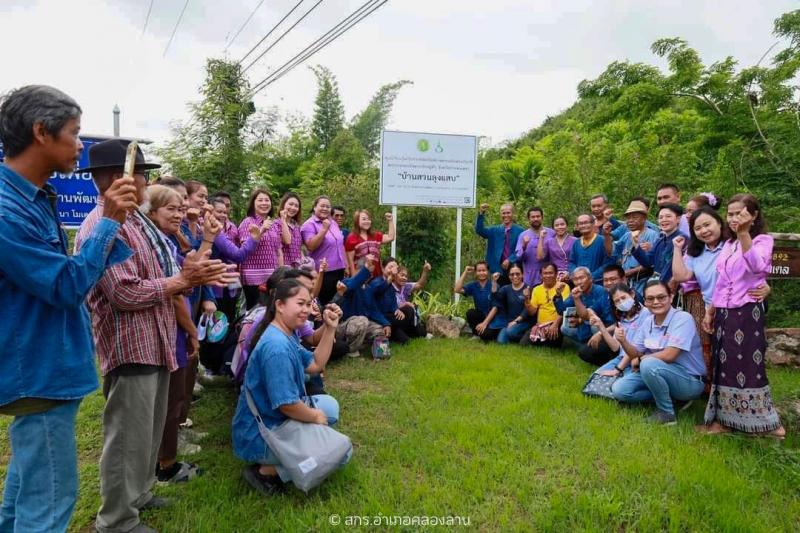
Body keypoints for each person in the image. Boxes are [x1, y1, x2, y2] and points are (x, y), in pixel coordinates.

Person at [75, 139, 234, 533]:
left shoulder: (136, 220)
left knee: (146, 429)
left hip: (158, 340)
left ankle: (141, 493)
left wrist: (196, 269)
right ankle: (116, 520)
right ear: (118, 178)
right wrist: (182, 280)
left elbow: (169, 266)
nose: (147, 183)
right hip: (131, 345)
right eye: (143, 175)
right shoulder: (102, 226)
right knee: (127, 437)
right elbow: (124, 292)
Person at [0, 85, 138, 533]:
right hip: (38, 368)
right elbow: (65, 285)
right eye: (75, 134)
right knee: (51, 500)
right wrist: (111, 222)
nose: (82, 145)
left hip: (49, 363)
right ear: (41, 132)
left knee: (27, 485)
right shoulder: (5, 211)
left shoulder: (34, 196)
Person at [232, 278, 351, 495]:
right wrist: (315, 417)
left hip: (276, 419)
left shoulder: (286, 334)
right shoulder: (276, 347)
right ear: (279, 305)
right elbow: (286, 405)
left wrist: (330, 328)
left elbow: (315, 364)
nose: (306, 310)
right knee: (342, 453)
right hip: (261, 433)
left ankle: (290, 457)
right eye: (300, 303)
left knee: (330, 409)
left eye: (308, 304)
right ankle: (267, 470)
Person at [698, 194, 785, 439]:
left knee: (749, 365)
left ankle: (768, 424)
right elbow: (722, 281)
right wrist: (711, 310)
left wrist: (745, 234)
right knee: (723, 365)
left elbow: (757, 267)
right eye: (731, 214)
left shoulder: (762, 240)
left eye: (740, 213)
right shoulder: (728, 244)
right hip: (724, 312)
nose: (734, 218)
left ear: (754, 215)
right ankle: (725, 421)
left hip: (747, 311)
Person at [143, 185, 205, 484]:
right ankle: (165, 464)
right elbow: (176, 291)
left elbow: (192, 271)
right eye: (172, 209)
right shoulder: (155, 243)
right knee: (169, 398)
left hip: (175, 327)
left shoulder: (167, 240)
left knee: (176, 394)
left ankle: (166, 452)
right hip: (171, 327)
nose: (180, 214)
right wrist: (192, 330)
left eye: (181, 209)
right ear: (151, 211)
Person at [611, 280, 706, 425]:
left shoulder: (683, 318)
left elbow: (669, 355)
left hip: (689, 380)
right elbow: (635, 352)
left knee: (648, 364)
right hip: (659, 371)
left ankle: (666, 413)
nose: (656, 302)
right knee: (620, 390)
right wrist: (623, 341)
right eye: (650, 299)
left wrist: (642, 359)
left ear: (671, 297)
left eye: (661, 297)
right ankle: (671, 399)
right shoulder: (648, 321)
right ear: (645, 302)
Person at [588, 283, 651, 377]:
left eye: (623, 297)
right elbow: (615, 347)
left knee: (619, 386)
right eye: (617, 301)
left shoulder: (646, 314)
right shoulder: (621, 317)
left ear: (632, 294)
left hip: (637, 359)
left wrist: (618, 369)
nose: (621, 302)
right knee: (595, 377)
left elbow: (636, 348)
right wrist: (601, 326)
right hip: (620, 359)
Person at [331, 255, 388, 357]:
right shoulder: (346, 282)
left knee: (378, 328)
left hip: (361, 325)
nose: (370, 276)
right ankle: (349, 350)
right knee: (362, 321)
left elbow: (373, 310)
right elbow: (352, 286)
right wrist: (365, 269)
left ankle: (381, 354)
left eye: (370, 273)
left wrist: (386, 324)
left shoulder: (368, 288)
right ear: (359, 270)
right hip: (343, 326)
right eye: (367, 272)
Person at [239, 188, 282, 309]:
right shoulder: (248, 222)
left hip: (272, 277)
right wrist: (262, 230)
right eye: (260, 200)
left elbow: (278, 251)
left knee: (270, 311)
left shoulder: (273, 224)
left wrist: (281, 273)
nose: (264, 203)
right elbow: (245, 249)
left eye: (267, 200)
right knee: (255, 313)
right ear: (253, 203)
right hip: (253, 278)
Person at [606, 199, 659, 298]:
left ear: (644, 218)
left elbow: (652, 262)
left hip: (643, 282)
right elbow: (611, 252)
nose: (630, 221)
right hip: (627, 283)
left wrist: (629, 272)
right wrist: (606, 235)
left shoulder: (652, 235)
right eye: (628, 218)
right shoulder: (627, 235)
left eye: (634, 217)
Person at [301, 196, 348, 306]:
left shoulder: (333, 222)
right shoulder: (309, 224)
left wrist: (345, 264)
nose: (325, 209)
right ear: (314, 207)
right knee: (324, 303)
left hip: (339, 269)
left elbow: (340, 244)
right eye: (322, 206)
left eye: (328, 206)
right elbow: (311, 246)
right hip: (323, 271)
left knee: (337, 302)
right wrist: (323, 229)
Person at [553, 266, 614, 346]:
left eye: (582, 278)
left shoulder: (600, 290)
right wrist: (558, 294)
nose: (579, 282)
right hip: (584, 327)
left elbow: (600, 314)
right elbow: (561, 310)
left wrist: (580, 320)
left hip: (603, 325)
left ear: (590, 278)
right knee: (564, 328)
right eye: (575, 279)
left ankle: (599, 346)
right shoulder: (575, 292)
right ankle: (586, 345)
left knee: (594, 325)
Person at [631, 203, 686, 287]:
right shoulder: (660, 240)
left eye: (668, 216)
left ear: (678, 219)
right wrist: (636, 245)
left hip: (673, 286)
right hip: (658, 285)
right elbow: (647, 262)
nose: (664, 220)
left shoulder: (683, 239)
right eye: (660, 217)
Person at [520, 263, 569, 347]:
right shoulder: (536, 289)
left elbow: (565, 310)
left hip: (556, 324)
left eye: (550, 273)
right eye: (545, 273)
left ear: (556, 274)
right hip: (540, 325)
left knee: (551, 344)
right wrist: (527, 299)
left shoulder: (563, 286)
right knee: (523, 344)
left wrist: (555, 324)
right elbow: (532, 312)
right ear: (541, 275)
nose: (548, 276)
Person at [475, 202, 524, 285]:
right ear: (500, 214)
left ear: (513, 214)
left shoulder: (520, 231)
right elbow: (480, 230)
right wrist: (481, 214)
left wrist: (510, 260)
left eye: (508, 213)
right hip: (497, 269)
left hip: (514, 269)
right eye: (503, 213)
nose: (506, 215)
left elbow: (521, 249)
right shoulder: (494, 230)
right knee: (498, 294)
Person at [481, 265, 531, 344]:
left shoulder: (528, 289)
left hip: (524, 322)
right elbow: (496, 298)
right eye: (512, 274)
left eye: (517, 274)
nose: (515, 276)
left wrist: (516, 321)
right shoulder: (506, 288)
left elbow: (527, 310)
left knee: (510, 332)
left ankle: (527, 336)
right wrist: (494, 282)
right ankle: (516, 338)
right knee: (501, 341)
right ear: (509, 276)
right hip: (509, 322)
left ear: (523, 274)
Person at [344, 209, 395, 278]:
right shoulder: (351, 238)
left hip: (377, 276)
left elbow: (390, 237)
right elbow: (351, 262)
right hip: (361, 277)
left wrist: (390, 221)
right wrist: (354, 278)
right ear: (357, 221)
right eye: (364, 219)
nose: (367, 221)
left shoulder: (375, 235)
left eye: (368, 219)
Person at [515, 207, 555, 287]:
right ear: (529, 219)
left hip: (549, 276)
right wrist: (524, 246)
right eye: (533, 217)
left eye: (538, 216)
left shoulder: (551, 233)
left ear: (542, 217)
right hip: (530, 278)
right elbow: (518, 258)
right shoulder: (523, 235)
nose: (536, 219)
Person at [455, 262, 496, 339]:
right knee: (470, 313)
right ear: (476, 272)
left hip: (493, 318)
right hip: (481, 316)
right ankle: (476, 334)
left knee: (487, 336)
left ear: (488, 272)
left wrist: (485, 323)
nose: (481, 273)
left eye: (484, 270)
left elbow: (496, 307)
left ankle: (485, 332)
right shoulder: (473, 285)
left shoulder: (493, 285)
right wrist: (465, 273)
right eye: (479, 271)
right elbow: (457, 289)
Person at [569, 213, 611, 282]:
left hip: (598, 282)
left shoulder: (602, 240)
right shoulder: (576, 243)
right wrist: (576, 274)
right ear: (577, 226)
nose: (583, 225)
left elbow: (608, 262)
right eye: (580, 223)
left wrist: (590, 277)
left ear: (593, 223)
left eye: (586, 223)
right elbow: (572, 262)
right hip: (579, 283)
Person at [277, 192, 304, 269]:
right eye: (290, 204)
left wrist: (304, 261)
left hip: (298, 267)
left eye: (296, 206)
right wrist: (283, 219)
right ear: (283, 205)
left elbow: (299, 248)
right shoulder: (276, 224)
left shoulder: (296, 225)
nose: (293, 208)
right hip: (285, 267)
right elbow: (287, 241)